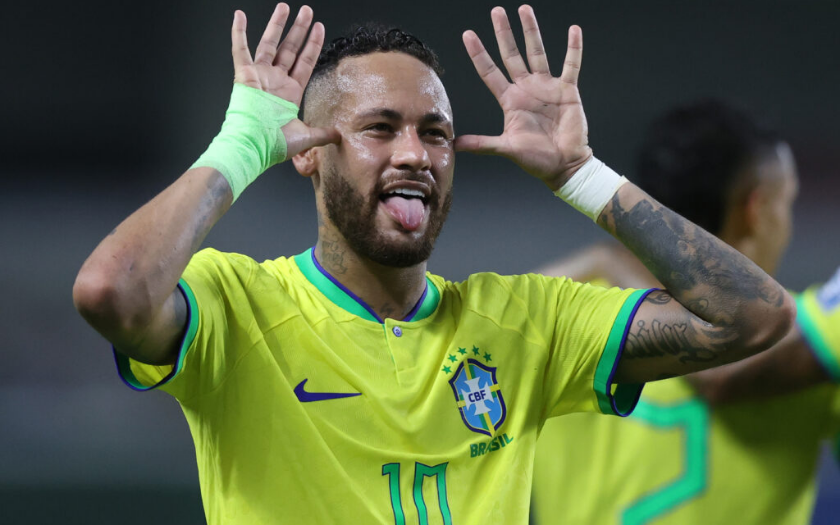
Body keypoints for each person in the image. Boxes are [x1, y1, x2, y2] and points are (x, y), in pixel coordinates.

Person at [72, 4, 794, 524]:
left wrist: (585, 177)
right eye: (379, 129)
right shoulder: (237, 306)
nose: (415, 153)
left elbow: (754, 316)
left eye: (435, 133)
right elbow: (111, 291)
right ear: (308, 154)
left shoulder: (529, 322)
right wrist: (236, 149)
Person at [531, 100, 840, 525]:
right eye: (786, 203)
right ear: (756, 211)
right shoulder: (809, 333)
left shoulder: (565, 307)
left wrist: (612, 265)